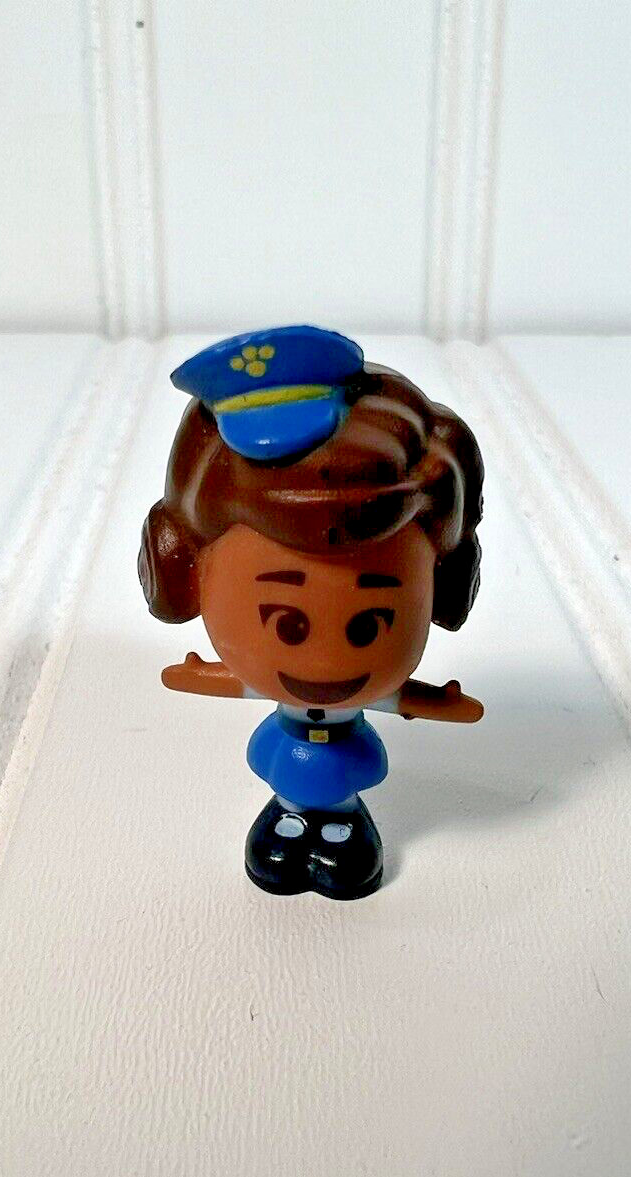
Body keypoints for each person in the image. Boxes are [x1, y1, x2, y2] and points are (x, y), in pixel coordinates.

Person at [139, 325, 485, 900]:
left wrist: (438, 704)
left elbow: (403, 699)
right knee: (285, 828)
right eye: (286, 622)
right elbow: (235, 682)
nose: (324, 662)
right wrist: (198, 675)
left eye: (369, 624)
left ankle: (342, 830)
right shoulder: (275, 685)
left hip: (342, 782)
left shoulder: (362, 694)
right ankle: (290, 821)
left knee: (342, 842)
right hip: (291, 777)